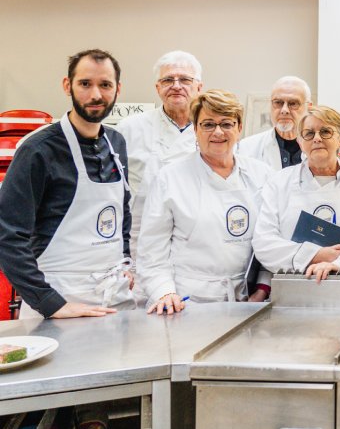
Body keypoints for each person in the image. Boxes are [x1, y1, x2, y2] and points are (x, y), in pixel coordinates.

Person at [0, 49, 135, 318]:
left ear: (117, 89)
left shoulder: (116, 142)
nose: (96, 95)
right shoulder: (38, 149)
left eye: (105, 85)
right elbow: (8, 234)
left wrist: (126, 260)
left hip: (114, 297)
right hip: (59, 299)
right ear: (67, 85)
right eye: (85, 84)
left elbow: (123, 211)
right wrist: (50, 302)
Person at [139, 90, 271, 314]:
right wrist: (164, 292)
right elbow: (151, 251)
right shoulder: (170, 178)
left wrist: (263, 286)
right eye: (208, 124)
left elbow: (272, 238)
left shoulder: (263, 175)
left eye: (226, 124)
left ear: (239, 128)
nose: (218, 132)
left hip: (248, 300)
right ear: (195, 129)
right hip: (188, 301)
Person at [253, 106, 340, 282]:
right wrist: (314, 255)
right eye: (309, 134)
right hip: (294, 287)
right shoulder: (279, 183)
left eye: (325, 132)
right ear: (300, 142)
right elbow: (264, 243)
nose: (317, 138)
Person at [116, 50, 203, 263]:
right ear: (158, 88)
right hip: (140, 238)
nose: (176, 85)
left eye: (184, 79)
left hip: (195, 239)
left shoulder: (212, 131)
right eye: (167, 80)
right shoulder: (129, 128)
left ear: (199, 87)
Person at [239, 76, 312, 170]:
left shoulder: (320, 148)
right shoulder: (246, 149)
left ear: (309, 107)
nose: (284, 110)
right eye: (278, 102)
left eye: (293, 103)